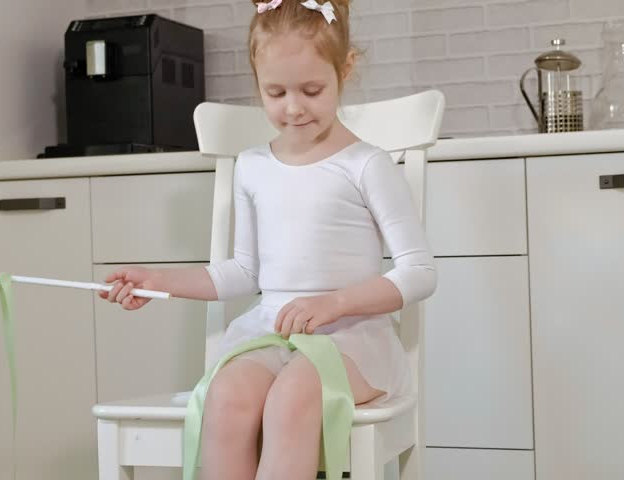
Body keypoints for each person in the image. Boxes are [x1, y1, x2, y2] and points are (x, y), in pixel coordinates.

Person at [99, 0, 436, 478]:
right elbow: (243, 272)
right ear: (255, 79)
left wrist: (335, 303)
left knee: (292, 399)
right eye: (274, 92)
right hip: (272, 332)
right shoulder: (253, 166)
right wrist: (156, 281)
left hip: (352, 340)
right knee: (228, 397)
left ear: (346, 69)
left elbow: (419, 272)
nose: (293, 107)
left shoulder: (366, 164)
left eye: (312, 90)